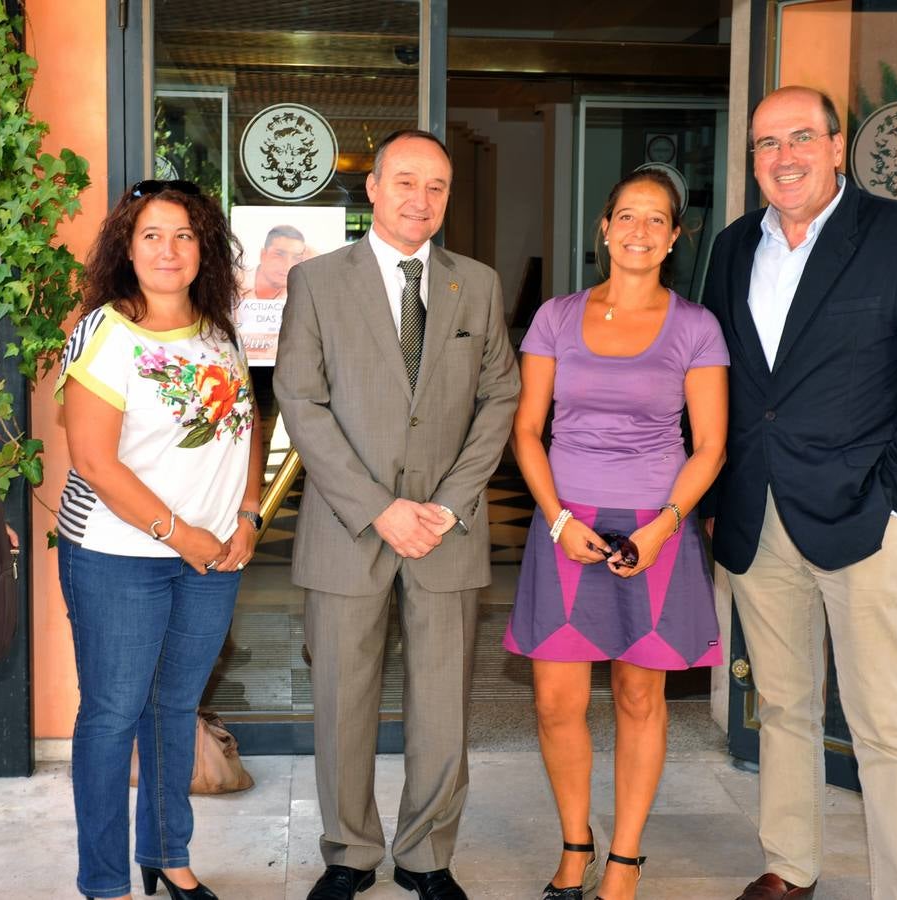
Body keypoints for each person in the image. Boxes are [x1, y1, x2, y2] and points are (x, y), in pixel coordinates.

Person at [702, 86, 897, 900]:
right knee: (782, 708)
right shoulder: (730, 246)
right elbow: (717, 379)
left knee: (883, 725)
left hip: (863, 512)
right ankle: (792, 865)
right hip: (757, 513)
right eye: (764, 144)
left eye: (797, 139)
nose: (781, 158)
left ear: (835, 145)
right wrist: (717, 492)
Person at [275, 129, 520, 900]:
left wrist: (447, 507)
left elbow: (499, 397)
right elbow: (301, 401)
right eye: (406, 182)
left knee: (442, 703)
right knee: (343, 701)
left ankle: (427, 857)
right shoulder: (316, 282)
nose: (422, 199)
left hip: (447, 531)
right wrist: (381, 509)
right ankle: (349, 853)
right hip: (351, 527)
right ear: (373, 188)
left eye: (438, 186)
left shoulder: (475, 285)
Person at [504, 170, 729, 900]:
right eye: (625, 216)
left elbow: (710, 446)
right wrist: (560, 519)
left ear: (673, 238)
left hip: (654, 530)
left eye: (654, 220)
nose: (638, 231)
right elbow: (527, 429)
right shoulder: (556, 317)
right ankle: (577, 843)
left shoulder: (696, 326)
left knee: (640, 698)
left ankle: (625, 858)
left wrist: (666, 529)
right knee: (554, 703)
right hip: (565, 526)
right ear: (603, 229)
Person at [55, 178, 263, 900]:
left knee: (175, 709)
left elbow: (246, 418)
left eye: (183, 235)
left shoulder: (217, 326)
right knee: (113, 716)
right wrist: (184, 536)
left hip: (212, 559)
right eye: (151, 235)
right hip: (119, 557)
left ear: (204, 247)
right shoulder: (107, 330)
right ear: (127, 247)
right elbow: (92, 460)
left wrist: (247, 513)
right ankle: (105, 882)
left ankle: (168, 857)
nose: (168, 250)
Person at [239, 223, 307, 300]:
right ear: (263, 255)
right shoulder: (234, 282)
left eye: (296, 258)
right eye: (279, 255)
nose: (288, 266)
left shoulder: (299, 296)